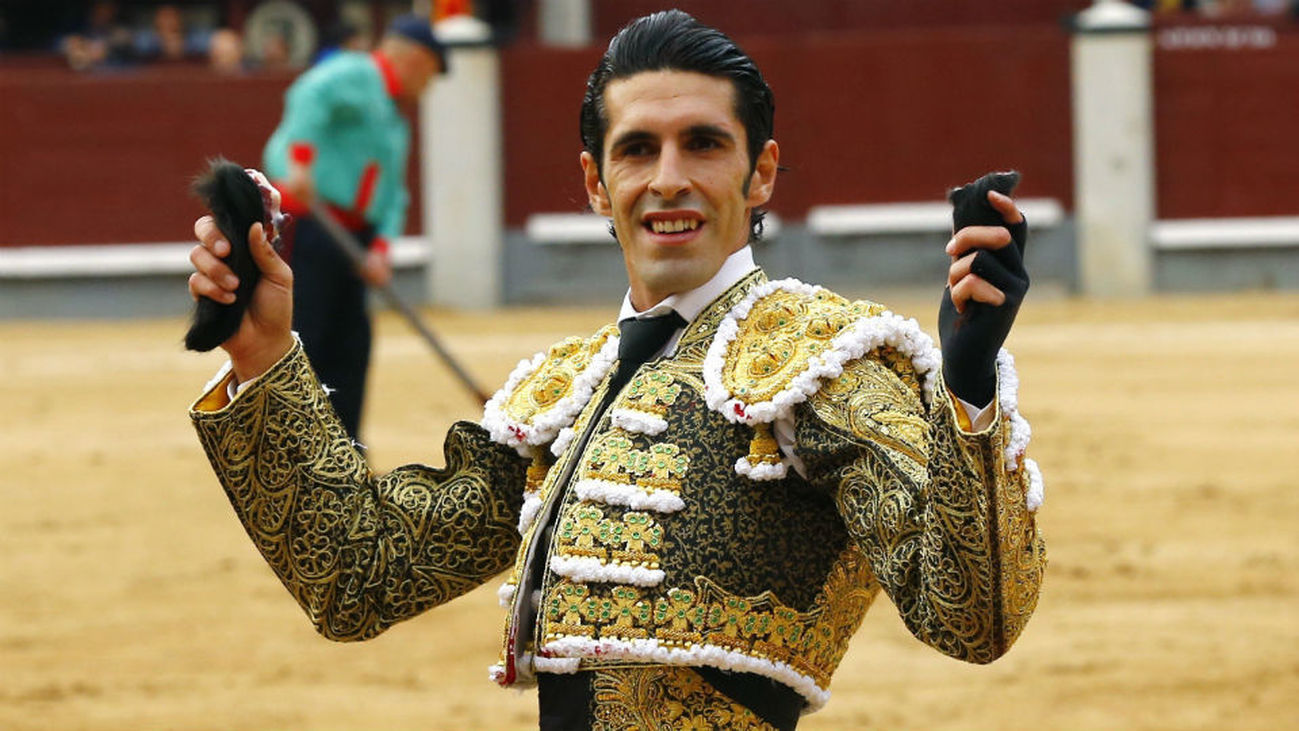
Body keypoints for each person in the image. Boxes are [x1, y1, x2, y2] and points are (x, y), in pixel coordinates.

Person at [186, 10, 1045, 729]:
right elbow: (357, 576)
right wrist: (263, 357)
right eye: (639, 150)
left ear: (761, 174)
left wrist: (966, 388)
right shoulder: (562, 394)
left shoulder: (821, 362)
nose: (668, 180)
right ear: (597, 184)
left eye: (703, 144)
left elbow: (970, 615)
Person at [260, 13, 448, 440]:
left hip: (353, 240)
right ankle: (299, 452)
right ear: (417, 60)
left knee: (351, 348)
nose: (427, 88)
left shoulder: (395, 121)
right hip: (310, 227)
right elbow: (308, 96)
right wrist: (302, 164)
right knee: (309, 339)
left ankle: (346, 455)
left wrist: (381, 247)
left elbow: (393, 196)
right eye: (431, 75)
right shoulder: (355, 72)